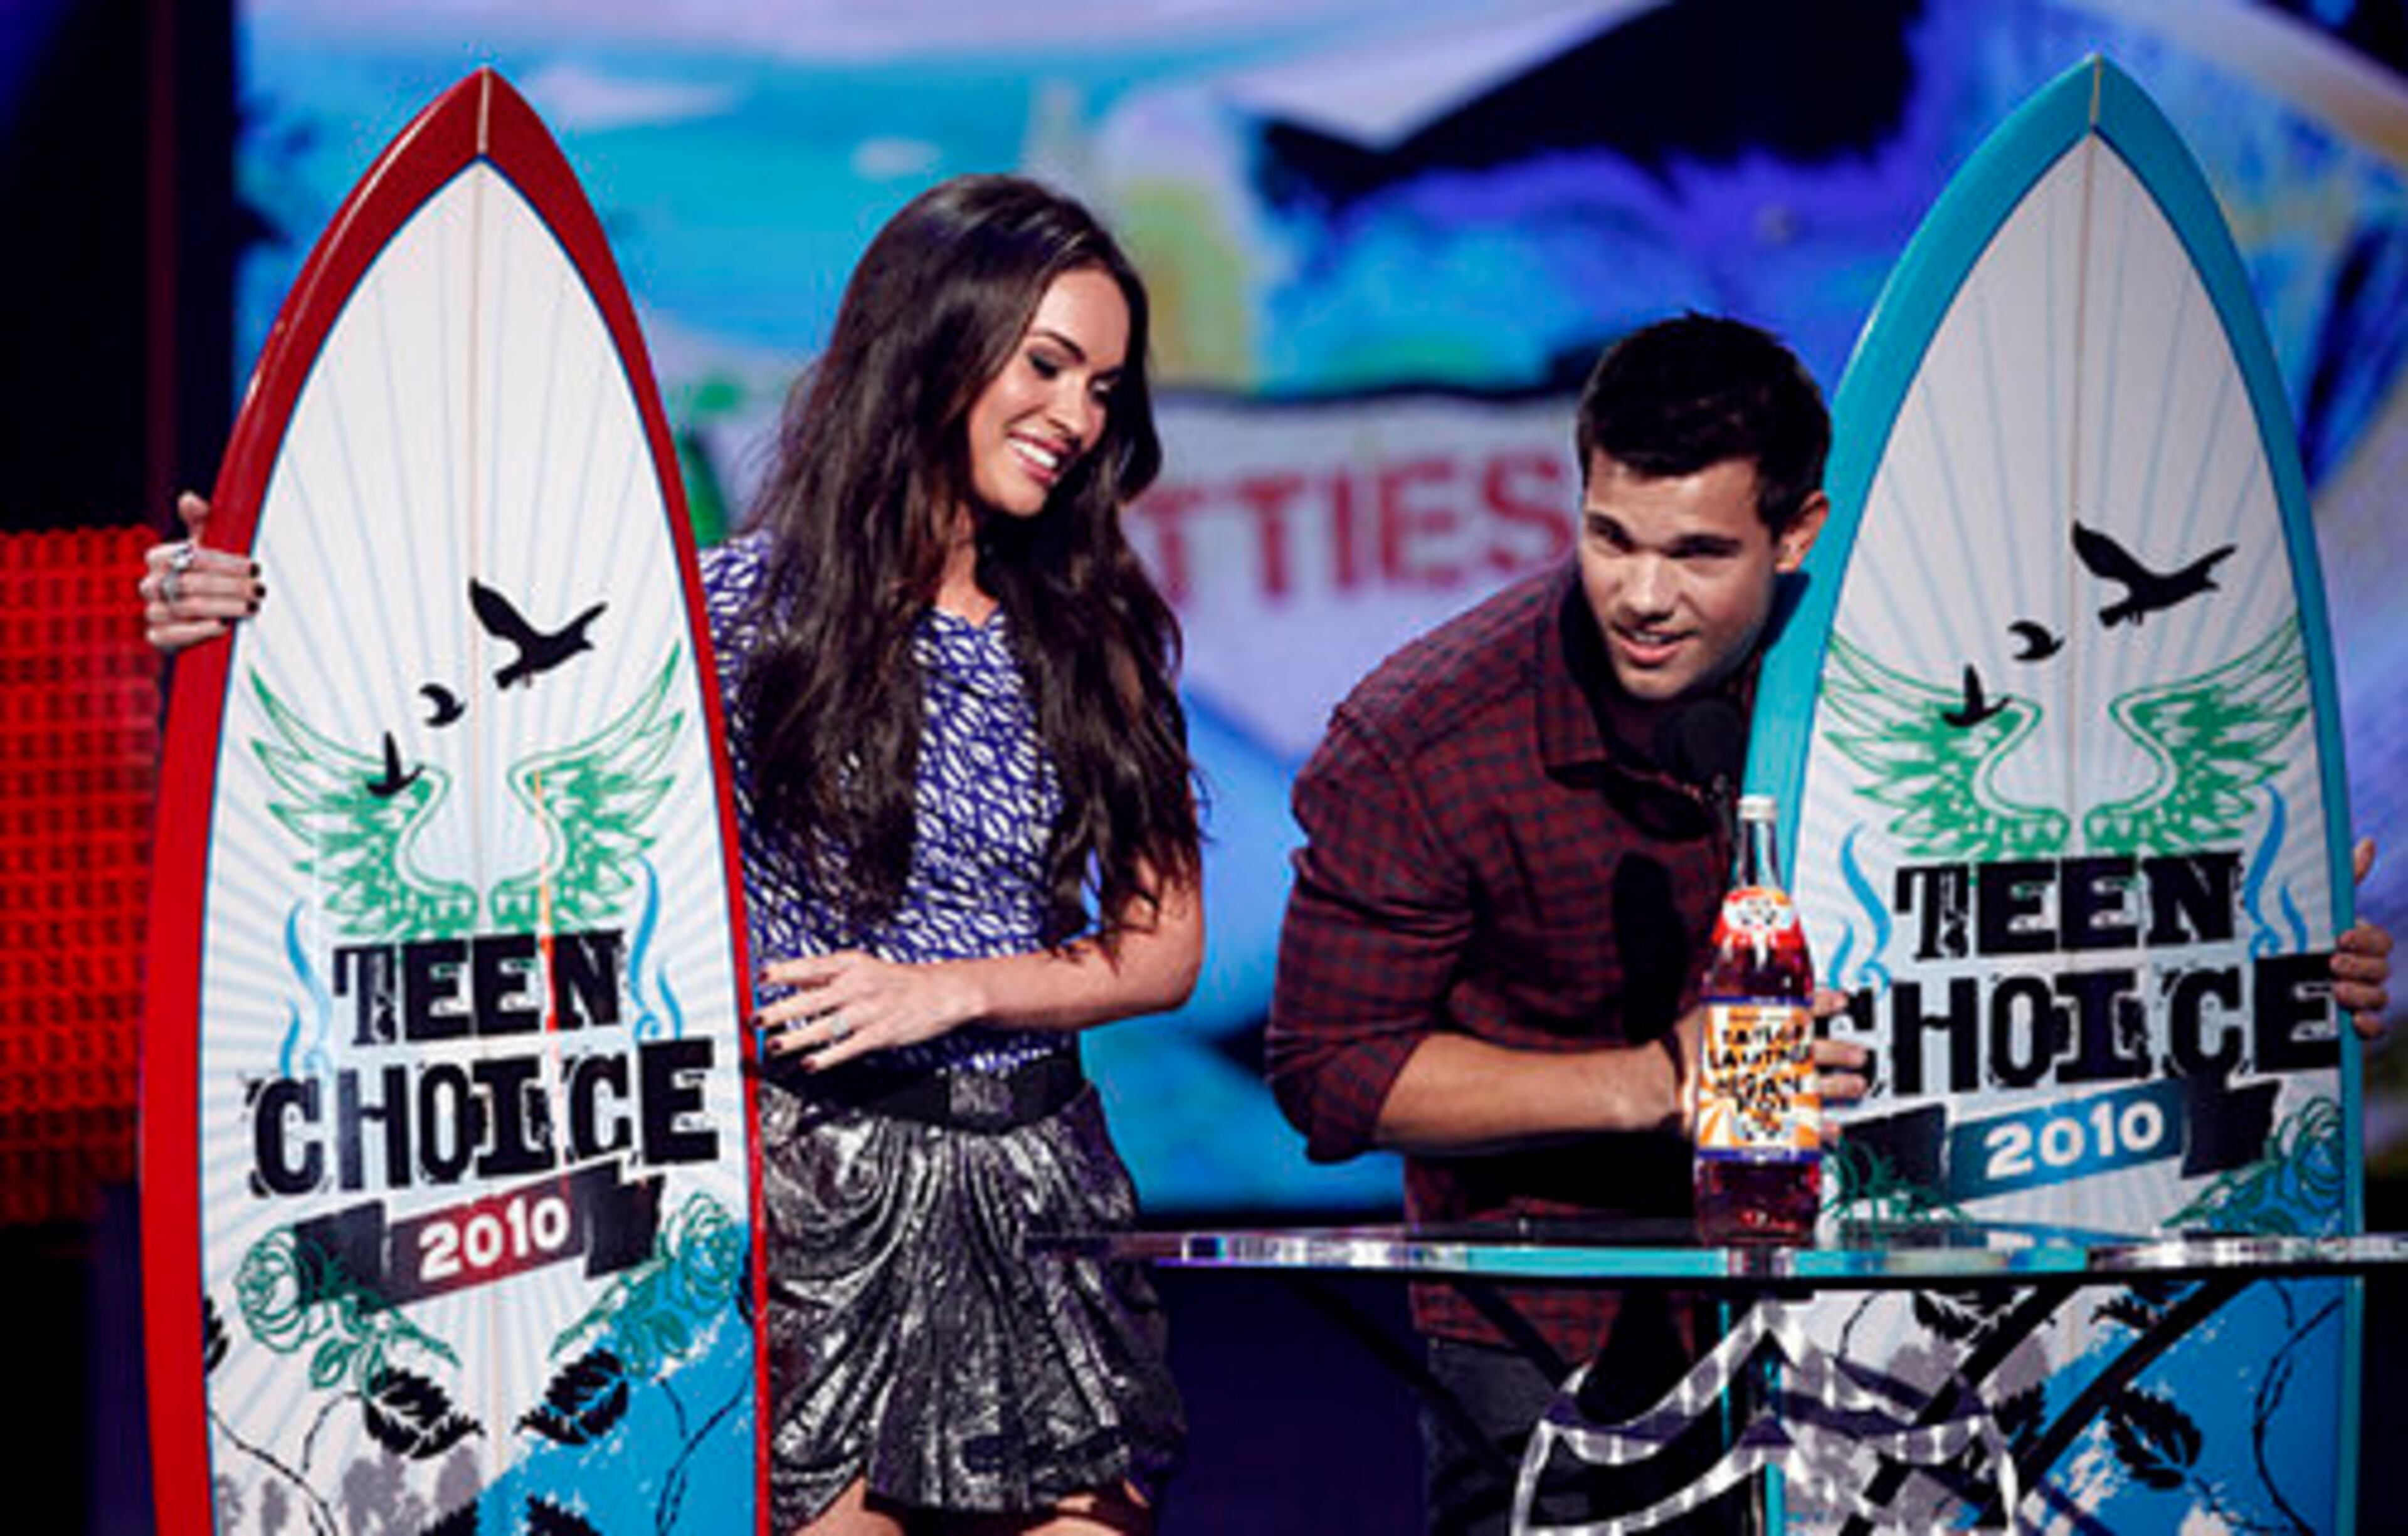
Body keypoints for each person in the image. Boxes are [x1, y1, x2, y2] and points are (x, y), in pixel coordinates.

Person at [142, 174, 1203, 1536]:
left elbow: (1163, 948)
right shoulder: (734, 614)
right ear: (935, 342)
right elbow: (447, 734)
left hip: (1037, 1190)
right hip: (810, 1197)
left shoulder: (1095, 635)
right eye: (1046, 365)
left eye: (1104, 387)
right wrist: (245, 606)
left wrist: (952, 990)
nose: (1078, 416)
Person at [1262, 312, 2395, 1535]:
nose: (1643, 595)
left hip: (1895, 1290)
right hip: (1560, 1314)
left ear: (1798, 532)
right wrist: (1655, 1079)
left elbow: (2053, 920)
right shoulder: (1425, 737)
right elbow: (1331, 1071)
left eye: (1698, 552)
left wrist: (2266, 961)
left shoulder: (1926, 683)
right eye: (1611, 538)